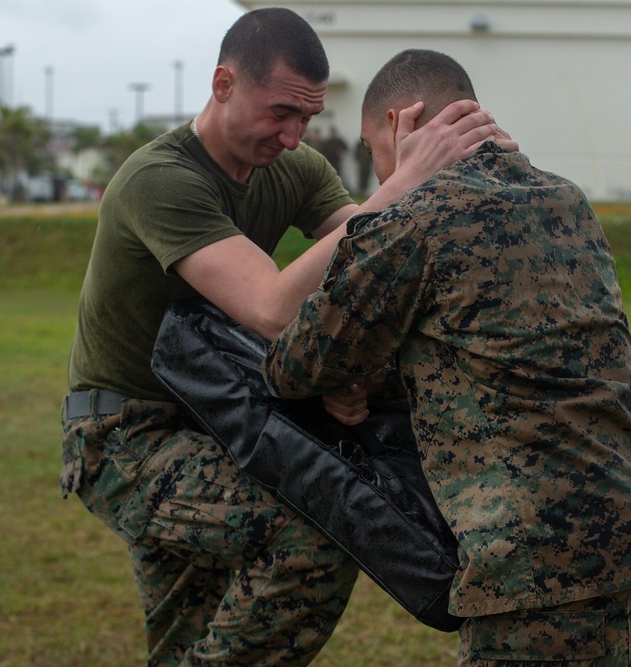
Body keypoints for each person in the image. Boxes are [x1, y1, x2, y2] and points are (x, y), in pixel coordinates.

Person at [60, 10, 513, 666]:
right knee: (310, 540)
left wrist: (349, 369)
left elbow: (367, 261)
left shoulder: (292, 168)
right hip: (129, 435)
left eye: (306, 118)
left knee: (192, 631)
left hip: (224, 417)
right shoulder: (159, 180)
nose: (295, 134)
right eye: (279, 112)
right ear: (223, 84)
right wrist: (401, 182)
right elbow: (271, 306)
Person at [264, 49, 631, 666]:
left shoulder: (415, 216)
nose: (379, 175)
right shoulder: (565, 199)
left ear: (404, 125)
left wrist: (394, 199)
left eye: (375, 149)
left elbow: (296, 366)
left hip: (554, 557)